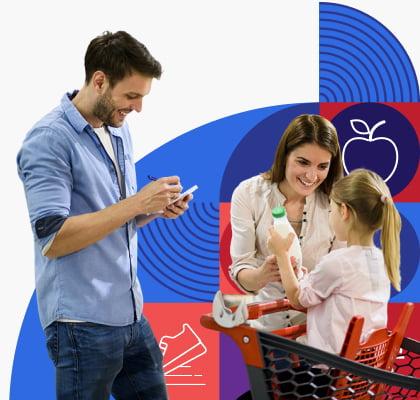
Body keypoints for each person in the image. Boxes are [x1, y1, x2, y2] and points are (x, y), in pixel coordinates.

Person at [17, 31, 191, 400]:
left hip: (130, 316)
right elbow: (53, 239)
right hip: (81, 325)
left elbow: (114, 213)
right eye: (132, 96)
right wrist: (136, 204)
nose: (138, 108)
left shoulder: (117, 130)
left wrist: (154, 209)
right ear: (99, 81)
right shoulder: (48, 140)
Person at [267, 168, 401, 396]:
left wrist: (281, 255)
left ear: (344, 211)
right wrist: (304, 276)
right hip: (360, 376)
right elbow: (334, 291)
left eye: (331, 209)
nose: (330, 216)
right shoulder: (380, 260)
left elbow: (299, 299)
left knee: (267, 382)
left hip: (324, 376)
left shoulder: (337, 262)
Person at [229, 114, 344, 331]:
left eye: (322, 166)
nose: (311, 175)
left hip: (319, 331)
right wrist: (261, 275)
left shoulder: (337, 204)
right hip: (266, 328)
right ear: (285, 155)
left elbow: (343, 273)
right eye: (303, 162)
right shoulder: (248, 193)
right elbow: (241, 267)